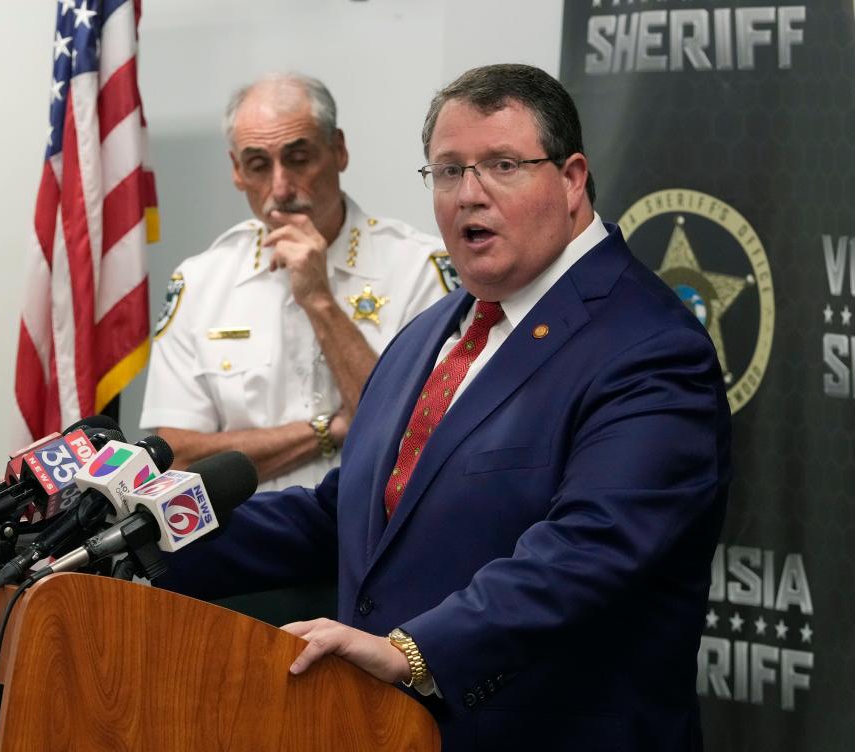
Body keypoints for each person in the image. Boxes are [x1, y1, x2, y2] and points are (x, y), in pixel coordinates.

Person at [155, 64, 731, 752]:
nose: (469, 195)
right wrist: (144, 533)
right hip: (388, 733)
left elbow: (589, 550)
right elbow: (346, 514)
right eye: (448, 171)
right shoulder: (438, 330)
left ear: (572, 180)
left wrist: (413, 650)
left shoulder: (649, 347)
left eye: (503, 166)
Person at [140, 73, 453, 488]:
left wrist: (320, 300)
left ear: (338, 150)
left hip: (368, 538)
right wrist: (329, 430)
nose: (281, 187)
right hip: (245, 540)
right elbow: (175, 456)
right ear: (236, 171)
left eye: (299, 158)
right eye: (257, 165)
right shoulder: (200, 281)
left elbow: (416, 436)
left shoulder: (420, 268)